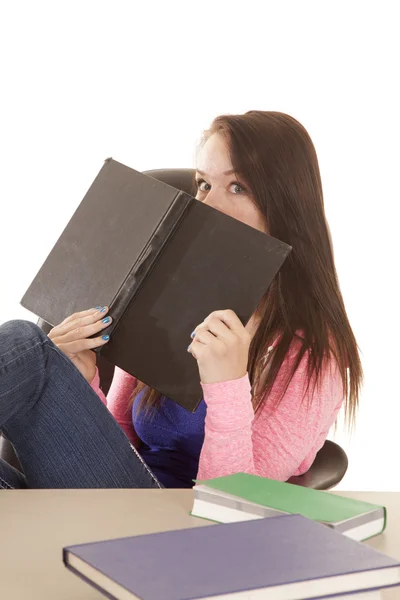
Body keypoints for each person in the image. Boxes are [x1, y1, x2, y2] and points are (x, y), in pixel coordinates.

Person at [0, 110, 362, 490]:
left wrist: (228, 384)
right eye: (203, 184)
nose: (207, 205)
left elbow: (235, 500)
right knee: (38, 351)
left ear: (285, 206)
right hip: (114, 503)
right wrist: (81, 380)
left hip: (181, 527)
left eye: (238, 187)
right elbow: (121, 447)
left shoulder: (313, 356)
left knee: (27, 343)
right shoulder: (171, 302)